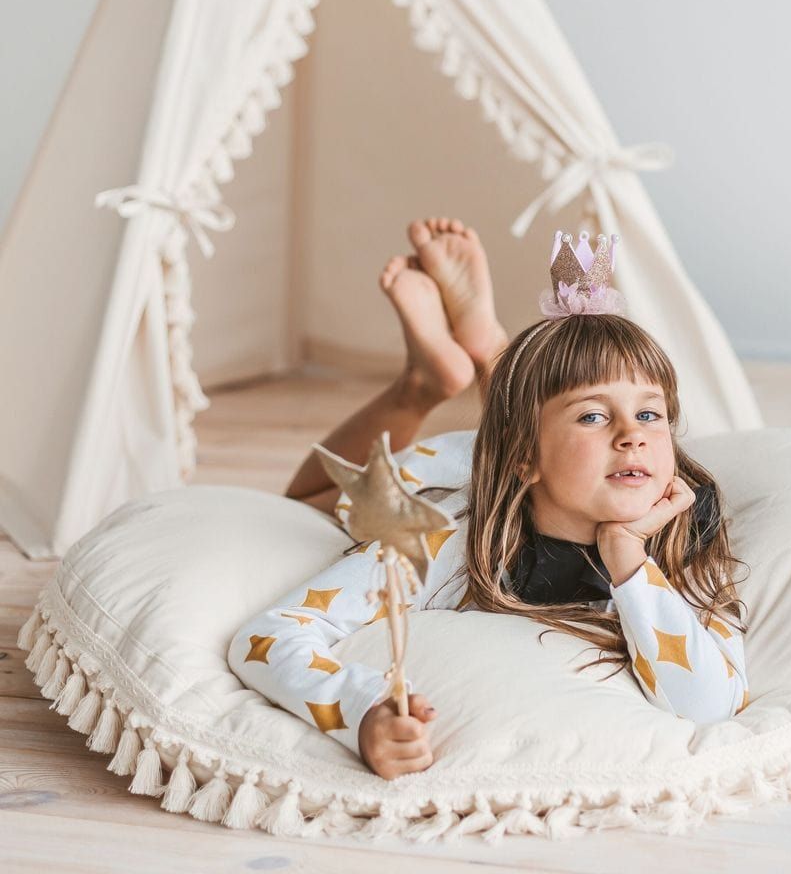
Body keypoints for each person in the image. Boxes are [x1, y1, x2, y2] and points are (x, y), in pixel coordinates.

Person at [227, 218, 749, 781]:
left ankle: (489, 349)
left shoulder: (686, 518)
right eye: (596, 415)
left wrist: (627, 556)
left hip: (541, 462)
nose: (634, 434)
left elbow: (709, 705)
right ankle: (424, 383)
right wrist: (360, 714)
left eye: (651, 413)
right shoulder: (443, 540)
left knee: (549, 423)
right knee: (312, 502)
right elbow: (268, 636)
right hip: (455, 472)